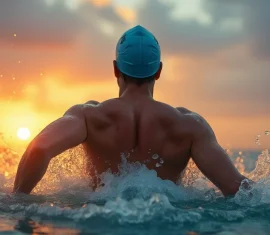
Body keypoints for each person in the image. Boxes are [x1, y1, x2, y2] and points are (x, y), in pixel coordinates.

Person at [13, 25, 246, 195]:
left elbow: (39, 149)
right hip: (164, 227)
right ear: (158, 71)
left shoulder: (89, 116)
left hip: (104, 225)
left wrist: (17, 199)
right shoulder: (189, 125)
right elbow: (236, 188)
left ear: (116, 69)